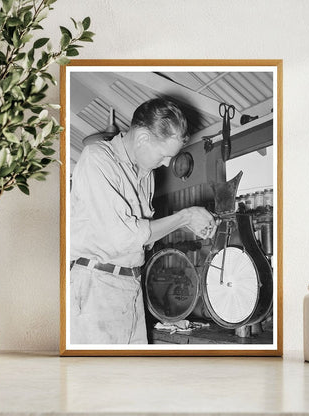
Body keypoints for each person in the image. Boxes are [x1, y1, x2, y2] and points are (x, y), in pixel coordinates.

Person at [70, 98, 217, 344]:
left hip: (130, 287)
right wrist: (185, 216)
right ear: (142, 138)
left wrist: (188, 224)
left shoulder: (145, 175)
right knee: (98, 381)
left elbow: (143, 241)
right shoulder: (97, 159)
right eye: (164, 154)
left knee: (133, 378)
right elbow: (124, 237)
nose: (167, 163)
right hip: (96, 288)